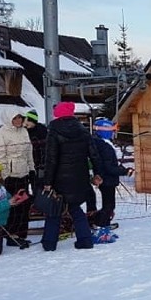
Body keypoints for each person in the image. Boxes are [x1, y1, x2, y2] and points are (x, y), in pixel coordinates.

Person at [42, 101, 103, 251]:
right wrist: (97, 173)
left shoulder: (54, 131)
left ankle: (49, 243)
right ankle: (85, 239)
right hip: (79, 177)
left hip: (59, 178)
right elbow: (94, 155)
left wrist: (47, 181)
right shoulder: (83, 131)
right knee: (75, 208)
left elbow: (51, 159)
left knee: (54, 210)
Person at [0, 109, 36, 248]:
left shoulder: (24, 131)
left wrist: (31, 169)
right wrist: (4, 176)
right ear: (9, 119)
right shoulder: (0, 134)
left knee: (24, 204)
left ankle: (22, 234)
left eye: (20, 118)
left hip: (23, 173)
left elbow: (29, 152)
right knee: (13, 205)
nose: (18, 121)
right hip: (9, 175)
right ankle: (11, 235)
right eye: (15, 118)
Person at [90, 118, 132, 243]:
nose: (113, 133)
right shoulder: (104, 146)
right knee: (109, 206)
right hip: (107, 179)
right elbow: (109, 167)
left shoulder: (99, 143)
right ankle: (101, 229)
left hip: (104, 178)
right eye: (112, 130)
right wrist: (124, 171)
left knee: (109, 205)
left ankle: (106, 228)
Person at [22, 109, 48, 187]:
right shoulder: (25, 131)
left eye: (29, 121)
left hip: (39, 162)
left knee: (38, 183)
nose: (27, 123)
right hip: (29, 162)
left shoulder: (41, 131)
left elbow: (44, 148)